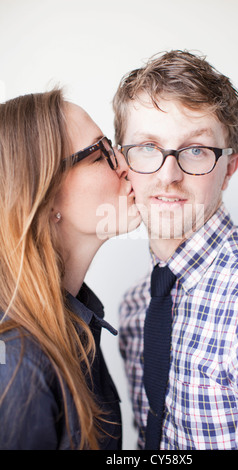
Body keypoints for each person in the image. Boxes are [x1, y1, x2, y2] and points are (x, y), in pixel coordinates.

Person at [113, 50, 238, 450]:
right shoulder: (133, 308)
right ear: (122, 162)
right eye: (147, 147)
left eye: (196, 150)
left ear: (229, 168)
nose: (168, 176)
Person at [0, 89, 140, 450]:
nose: (126, 166)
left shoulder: (76, 326)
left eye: (114, 147)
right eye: (99, 156)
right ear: (43, 196)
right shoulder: (16, 365)